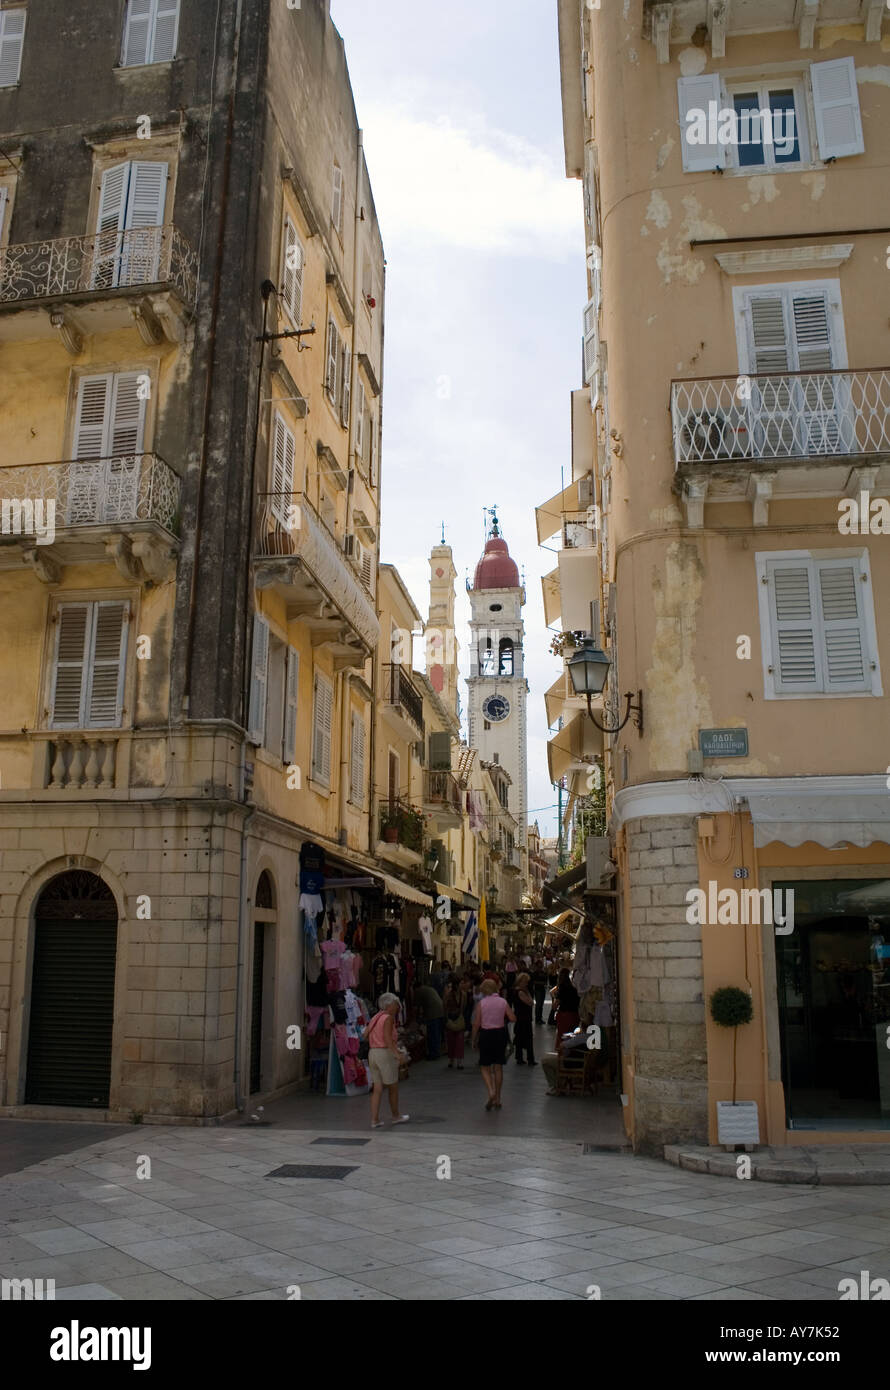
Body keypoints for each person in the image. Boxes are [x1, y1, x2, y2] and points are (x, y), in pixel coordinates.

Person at [365, 993, 409, 1127]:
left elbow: (365, 1034)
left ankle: (374, 1120)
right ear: (389, 1005)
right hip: (384, 1053)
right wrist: (397, 1054)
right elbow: (388, 1039)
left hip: (373, 1053)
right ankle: (396, 1116)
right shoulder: (388, 1018)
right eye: (396, 1004)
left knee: (377, 1088)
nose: (398, 1007)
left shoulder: (375, 1017)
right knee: (393, 1087)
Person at [472, 978, 515, 1111]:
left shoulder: (482, 1003)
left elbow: (476, 1024)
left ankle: (491, 1091)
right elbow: (513, 1018)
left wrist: (473, 1039)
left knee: (484, 1066)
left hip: (486, 1035)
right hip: (500, 1035)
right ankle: (498, 1098)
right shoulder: (503, 1001)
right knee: (498, 1067)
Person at [413, 982, 445, 1060]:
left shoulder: (418, 991)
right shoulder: (429, 988)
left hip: (433, 1014)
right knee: (437, 1033)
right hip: (440, 1011)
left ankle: (433, 1054)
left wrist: (416, 1018)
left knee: (432, 1034)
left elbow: (416, 1007)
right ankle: (437, 1052)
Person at [513, 972, 536, 1065]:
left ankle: (520, 1057)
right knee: (527, 1038)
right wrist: (528, 993)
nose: (526, 984)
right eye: (525, 982)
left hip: (521, 1017)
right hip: (523, 1018)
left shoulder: (520, 991)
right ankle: (529, 1059)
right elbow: (530, 1002)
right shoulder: (521, 992)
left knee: (520, 1037)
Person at [552, 968, 580, 1037]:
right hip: (574, 1015)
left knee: (563, 1037)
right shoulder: (574, 988)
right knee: (572, 1037)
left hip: (564, 1015)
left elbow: (555, 1005)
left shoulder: (562, 988)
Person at [444, 981, 466, 1070]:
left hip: (451, 1017)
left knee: (452, 1040)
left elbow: (445, 1006)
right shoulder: (463, 995)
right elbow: (463, 1007)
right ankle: (458, 1062)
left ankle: (452, 1060)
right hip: (458, 1017)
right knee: (457, 1040)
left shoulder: (448, 995)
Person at [530, 959, 548, 1025]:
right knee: (538, 1005)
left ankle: (540, 1018)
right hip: (537, 990)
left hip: (542, 990)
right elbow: (533, 982)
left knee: (541, 1005)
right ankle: (537, 1019)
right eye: (539, 966)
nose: (540, 967)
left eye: (541, 966)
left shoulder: (543, 973)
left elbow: (545, 981)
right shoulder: (534, 973)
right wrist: (541, 983)